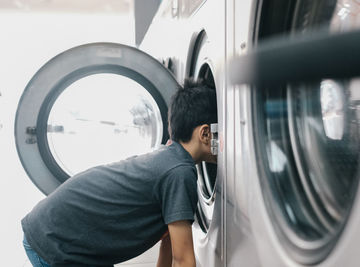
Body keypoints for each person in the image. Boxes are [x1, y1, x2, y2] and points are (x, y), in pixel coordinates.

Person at [21, 79, 218, 267]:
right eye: (220, 133)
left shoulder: (169, 158)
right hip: (56, 242)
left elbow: (171, 243)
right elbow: (184, 261)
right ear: (205, 134)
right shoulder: (180, 172)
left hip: (58, 230)